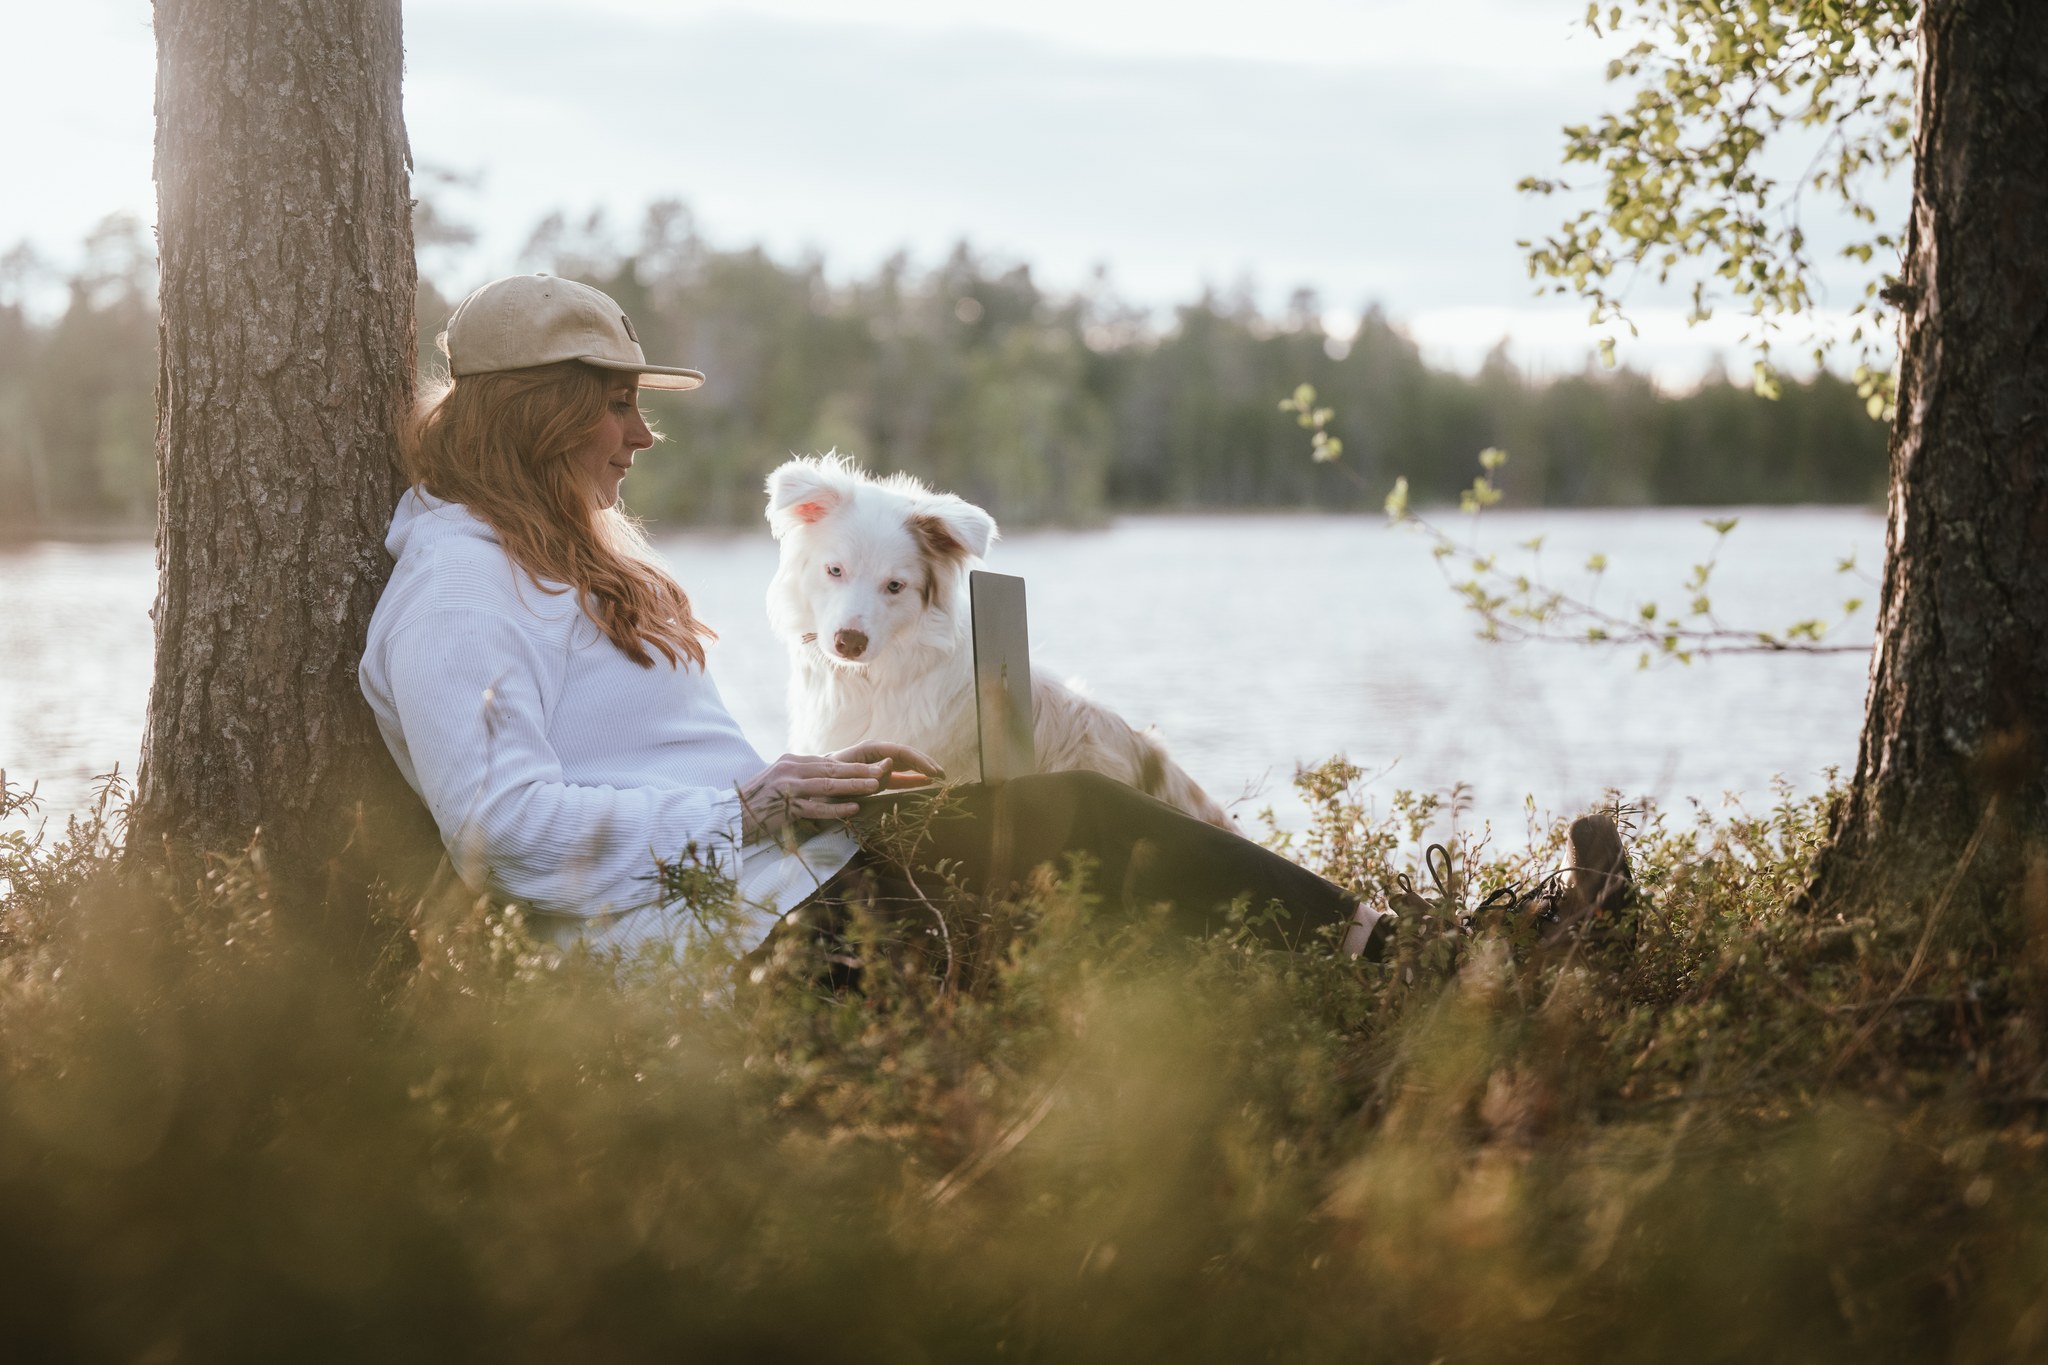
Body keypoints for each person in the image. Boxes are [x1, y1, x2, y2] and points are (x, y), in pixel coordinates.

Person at [360, 274, 1384, 965]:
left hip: (773, 878)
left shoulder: (556, 552)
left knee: (1072, 812)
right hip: (714, 935)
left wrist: (824, 787)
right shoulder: (458, 588)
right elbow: (500, 831)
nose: (643, 433)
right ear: (537, 414)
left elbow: (654, 766)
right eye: (617, 404)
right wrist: (754, 804)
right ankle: (1395, 966)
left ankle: (1380, 954)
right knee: (1076, 838)